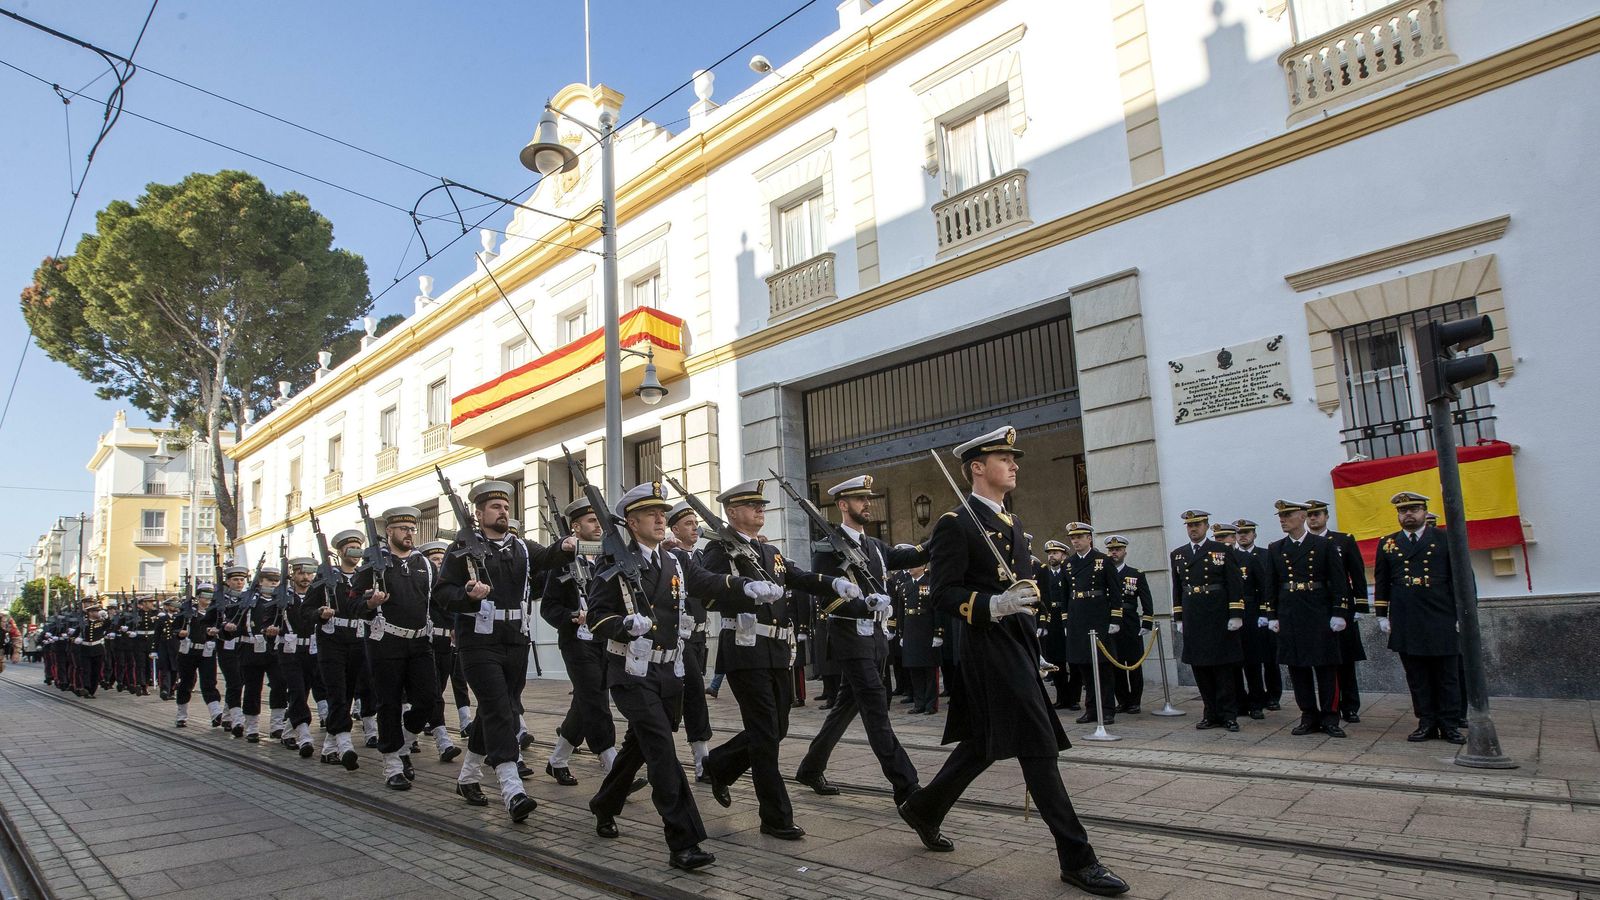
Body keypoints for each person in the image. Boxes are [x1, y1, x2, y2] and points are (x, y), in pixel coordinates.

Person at [897, 426, 1127, 897]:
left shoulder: (1013, 524)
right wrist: (992, 605)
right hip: (985, 649)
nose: (1015, 464)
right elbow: (943, 593)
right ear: (977, 468)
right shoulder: (955, 524)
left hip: (1017, 646)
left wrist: (1031, 639)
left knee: (983, 743)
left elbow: (1026, 591)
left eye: (1014, 458)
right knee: (1038, 748)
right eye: (1004, 458)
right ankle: (1077, 859)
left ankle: (924, 808)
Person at [586, 482, 774, 871]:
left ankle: (605, 803)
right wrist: (624, 624)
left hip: (669, 672)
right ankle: (683, 841)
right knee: (662, 755)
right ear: (631, 522)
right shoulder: (612, 563)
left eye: (663, 513)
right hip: (631, 672)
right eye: (652, 514)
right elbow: (596, 618)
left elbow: (707, 581)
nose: (661, 519)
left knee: (640, 746)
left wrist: (746, 586)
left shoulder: (674, 561)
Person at [699, 479, 845, 841]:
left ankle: (718, 764)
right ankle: (775, 816)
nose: (761, 510)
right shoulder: (720, 549)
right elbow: (706, 590)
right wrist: (743, 590)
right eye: (753, 506)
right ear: (733, 513)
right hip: (746, 651)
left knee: (776, 730)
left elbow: (799, 578)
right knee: (766, 737)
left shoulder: (770, 553)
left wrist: (835, 584)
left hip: (779, 653)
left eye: (762, 505)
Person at [434, 480, 573, 821]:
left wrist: (568, 545)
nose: (503, 511)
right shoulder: (462, 548)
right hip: (478, 641)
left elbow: (548, 558)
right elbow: (442, 593)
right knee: (500, 708)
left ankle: (468, 777)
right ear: (479, 514)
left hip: (515, 638)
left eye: (506, 507)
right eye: (495, 507)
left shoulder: (521, 547)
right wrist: (467, 595)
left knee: (500, 707)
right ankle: (512, 787)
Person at [794, 475, 926, 806]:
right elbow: (823, 596)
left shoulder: (876, 547)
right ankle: (907, 788)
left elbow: (910, 558)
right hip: (850, 639)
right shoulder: (828, 546)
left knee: (845, 707)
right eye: (859, 499)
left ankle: (811, 767)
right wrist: (863, 604)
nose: (867, 503)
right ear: (842, 505)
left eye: (868, 498)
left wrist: (950, 532)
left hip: (877, 641)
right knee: (875, 708)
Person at [352, 507, 441, 790]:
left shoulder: (425, 565)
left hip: (419, 641)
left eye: (412, 529)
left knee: (428, 700)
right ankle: (392, 763)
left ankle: (405, 742)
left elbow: (439, 601)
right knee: (388, 702)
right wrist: (369, 604)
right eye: (403, 529)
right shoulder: (374, 565)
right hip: (385, 641)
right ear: (389, 531)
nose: (409, 534)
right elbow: (350, 603)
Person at [1374, 492, 1464, 744]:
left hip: (1441, 615)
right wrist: (1382, 614)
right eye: (1403, 511)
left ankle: (1449, 724)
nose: (1408, 514)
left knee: (1447, 676)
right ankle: (1426, 722)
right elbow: (1382, 582)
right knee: (1417, 676)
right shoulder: (1388, 543)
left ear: (1425, 512)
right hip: (1406, 618)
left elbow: (1462, 579)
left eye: (1414, 509)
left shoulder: (1444, 538)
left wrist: (1462, 615)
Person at [540, 497, 617, 785]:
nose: (598, 525)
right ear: (576, 527)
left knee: (586, 700)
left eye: (599, 520)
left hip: (604, 639)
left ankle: (557, 760)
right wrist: (571, 615)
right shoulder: (561, 563)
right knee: (596, 698)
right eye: (591, 521)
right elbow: (548, 607)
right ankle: (611, 761)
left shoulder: (607, 558)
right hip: (577, 642)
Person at [1267, 500, 1351, 738]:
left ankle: (1330, 716)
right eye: (1280, 516)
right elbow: (1270, 584)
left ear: (1302, 516)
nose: (1282, 520)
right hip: (1290, 614)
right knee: (1298, 669)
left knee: (1325, 668)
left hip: (1318, 612)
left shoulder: (1323, 545)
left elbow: (1338, 582)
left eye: (1288, 515)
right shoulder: (1276, 548)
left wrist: (1339, 612)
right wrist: (1272, 614)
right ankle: (1308, 715)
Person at [1169, 510, 1244, 731]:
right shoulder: (1179, 554)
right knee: (1200, 669)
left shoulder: (1221, 550)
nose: (1193, 529)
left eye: (1198, 525)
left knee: (1223, 669)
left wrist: (1236, 614)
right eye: (1190, 525)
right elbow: (1178, 588)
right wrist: (1179, 617)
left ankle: (1229, 714)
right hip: (1194, 615)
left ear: (1206, 526)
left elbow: (1234, 583)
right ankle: (1210, 712)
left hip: (1217, 614)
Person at [1306, 499, 1368, 724]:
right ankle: (1327, 705)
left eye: (1317, 514)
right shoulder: (1306, 543)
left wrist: (1360, 606)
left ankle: (1350, 706)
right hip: (1316, 608)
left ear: (1326, 517)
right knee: (1326, 658)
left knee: (1345, 658)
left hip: (1341, 605)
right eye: (1310, 515)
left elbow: (1357, 574)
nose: (1313, 518)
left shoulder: (1343, 540)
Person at [664, 503, 715, 773]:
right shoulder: (669, 557)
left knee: (692, 694)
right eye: (688, 524)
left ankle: (699, 757)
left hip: (698, 637)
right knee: (692, 693)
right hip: (677, 639)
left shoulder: (703, 556)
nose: (695, 527)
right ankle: (700, 760)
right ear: (674, 530)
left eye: (695, 523)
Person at [1062, 522, 1122, 726]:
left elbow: (1115, 592)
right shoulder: (1068, 564)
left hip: (1098, 616)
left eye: (1080, 537)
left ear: (1089, 538)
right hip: (1078, 617)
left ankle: (1107, 709)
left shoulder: (1102, 561)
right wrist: (1066, 621)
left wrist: (1115, 619)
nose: (1076, 541)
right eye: (1073, 538)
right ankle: (1091, 709)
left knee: (1103, 667)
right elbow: (1064, 596)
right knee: (1084, 666)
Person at [415, 539, 463, 765]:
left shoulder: (450, 586)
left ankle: (410, 734)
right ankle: (443, 740)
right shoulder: (423, 583)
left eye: (441, 560)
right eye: (434, 560)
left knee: (437, 691)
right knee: (432, 693)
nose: (438, 564)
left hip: (446, 643)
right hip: (426, 641)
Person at [1234, 519, 1282, 715]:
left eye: (1247, 532)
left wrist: (1266, 613)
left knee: (1270, 658)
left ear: (1254, 534)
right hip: (1243, 613)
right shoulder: (1232, 556)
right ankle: (1254, 698)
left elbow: (1270, 586)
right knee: (1250, 659)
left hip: (1262, 613)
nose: (1243, 535)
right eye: (1239, 533)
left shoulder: (1266, 554)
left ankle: (1273, 695)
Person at [1104, 536, 1153, 714]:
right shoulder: (1104, 572)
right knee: (1115, 663)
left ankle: (1135, 701)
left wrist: (1147, 621)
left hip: (1130, 621)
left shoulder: (1135, 573)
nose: (1114, 553)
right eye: (1111, 550)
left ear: (1125, 551)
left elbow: (1146, 599)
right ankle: (1122, 700)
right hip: (1110, 622)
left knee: (1134, 663)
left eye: (1117, 549)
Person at [173, 586, 223, 728]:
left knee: (209, 683)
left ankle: (215, 713)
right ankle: (181, 714)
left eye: (210, 596)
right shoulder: (188, 612)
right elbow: (175, 629)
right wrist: (180, 633)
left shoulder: (215, 613)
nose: (207, 599)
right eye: (205, 596)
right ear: (198, 597)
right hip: (188, 652)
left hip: (207, 652)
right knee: (186, 683)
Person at [1037, 540, 1078, 710]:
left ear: (1064, 555)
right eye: (1049, 553)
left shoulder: (1070, 570)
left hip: (1068, 618)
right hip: (1052, 620)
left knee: (1074, 661)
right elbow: (1042, 599)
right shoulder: (1044, 573)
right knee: (1056, 661)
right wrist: (1042, 623)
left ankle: (1073, 699)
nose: (1051, 556)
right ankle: (1062, 698)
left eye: (1055, 553)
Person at [898, 565, 942, 714]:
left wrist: (938, 633)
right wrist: (901, 633)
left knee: (929, 670)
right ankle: (919, 702)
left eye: (914, 565)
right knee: (914, 669)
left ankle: (931, 705)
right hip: (911, 631)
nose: (910, 568)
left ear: (923, 566)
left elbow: (937, 610)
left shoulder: (931, 584)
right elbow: (900, 612)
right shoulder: (905, 586)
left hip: (927, 630)